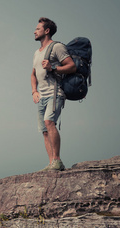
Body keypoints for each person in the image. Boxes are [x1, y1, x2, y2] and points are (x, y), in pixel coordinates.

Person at [31, 17, 76, 171]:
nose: (34, 31)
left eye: (38, 29)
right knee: (44, 130)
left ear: (47, 31)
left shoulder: (57, 47)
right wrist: (34, 91)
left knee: (49, 123)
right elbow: (33, 74)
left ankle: (57, 160)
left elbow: (72, 66)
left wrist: (53, 68)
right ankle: (51, 163)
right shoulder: (37, 52)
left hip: (55, 93)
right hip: (41, 96)